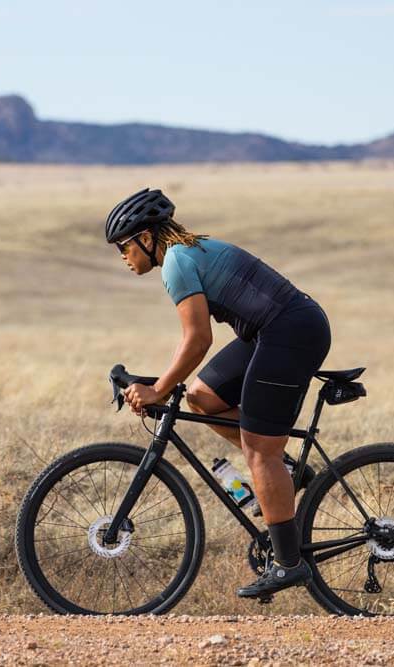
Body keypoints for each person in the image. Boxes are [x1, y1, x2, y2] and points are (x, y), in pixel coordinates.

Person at [105, 187, 331, 599]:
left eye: (123, 245)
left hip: (290, 331)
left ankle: (288, 564)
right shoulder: (184, 254)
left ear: (146, 238)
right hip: (274, 330)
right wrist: (163, 386)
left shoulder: (175, 261)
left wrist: (157, 389)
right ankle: (290, 471)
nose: (122, 255)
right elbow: (193, 349)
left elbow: (197, 340)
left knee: (260, 449)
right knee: (202, 396)